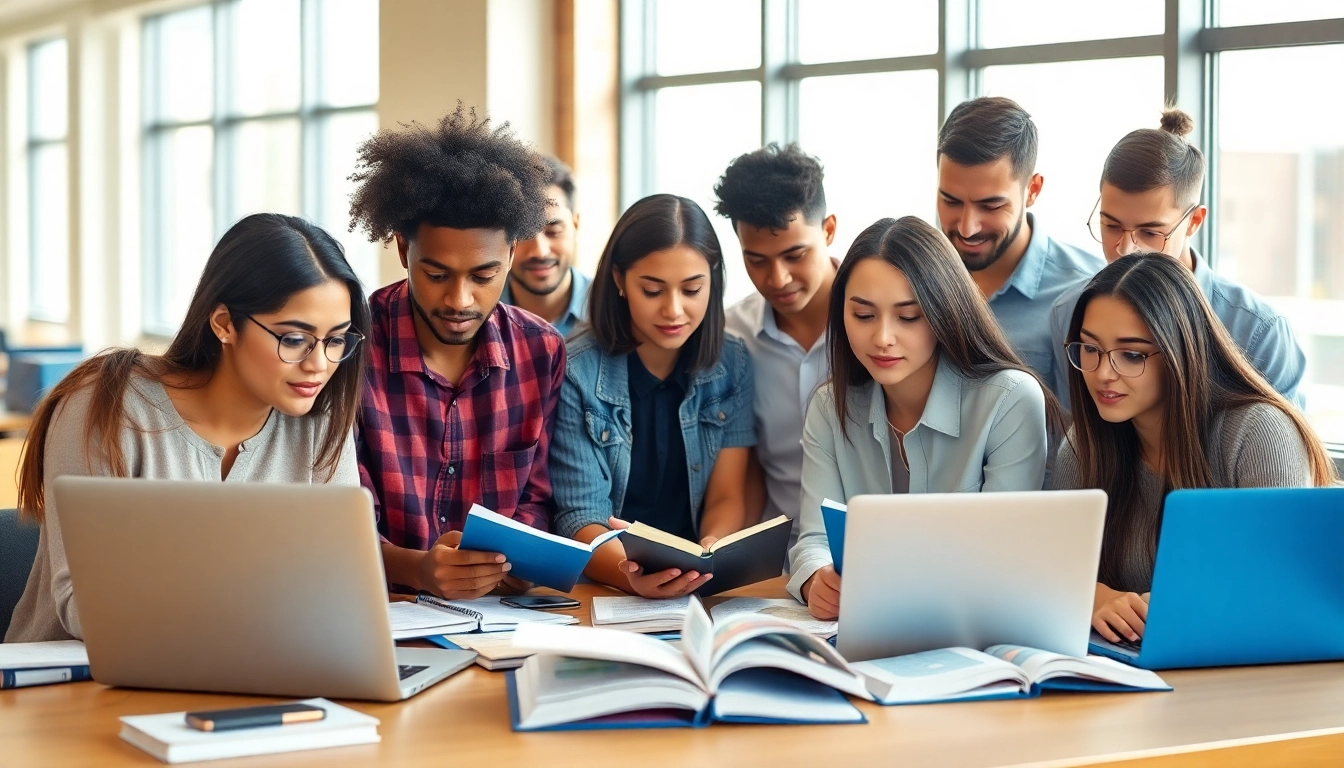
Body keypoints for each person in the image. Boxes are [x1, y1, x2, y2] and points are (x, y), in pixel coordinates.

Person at [6, 213, 368, 643]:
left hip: (249, 674)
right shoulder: (106, 405)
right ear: (224, 324)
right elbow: (85, 605)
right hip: (70, 686)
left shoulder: (319, 426)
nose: (319, 364)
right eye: (294, 339)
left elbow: (339, 590)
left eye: (337, 339)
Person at [788, 216, 1062, 620]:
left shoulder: (1009, 400)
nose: (882, 337)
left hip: (972, 627)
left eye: (909, 317)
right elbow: (813, 538)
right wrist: (817, 579)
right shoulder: (830, 407)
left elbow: (1002, 558)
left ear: (944, 312)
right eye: (863, 315)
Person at [1053, 253, 1335, 644]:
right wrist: (1093, 596)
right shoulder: (1086, 445)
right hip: (1132, 666)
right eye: (1089, 348)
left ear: (1180, 352)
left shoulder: (1258, 433)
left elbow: (1280, 587)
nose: (1103, 373)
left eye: (1131, 354)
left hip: (1248, 667)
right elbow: (1051, 569)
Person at [348, 106, 565, 600]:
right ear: (403, 251)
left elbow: (537, 497)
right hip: (382, 609)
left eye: (483, 276)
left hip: (502, 615)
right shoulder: (351, 346)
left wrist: (516, 558)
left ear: (512, 254)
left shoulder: (540, 351)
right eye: (437, 274)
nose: (459, 300)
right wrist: (421, 569)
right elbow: (339, 514)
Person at [549, 194, 755, 598]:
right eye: (653, 290)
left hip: (698, 587)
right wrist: (631, 575)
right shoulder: (576, 370)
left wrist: (709, 550)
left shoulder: (734, 363)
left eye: (692, 289)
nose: (674, 310)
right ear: (620, 281)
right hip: (608, 586)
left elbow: (729, 493)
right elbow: (580, 516)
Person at [1048, 109, 1306, 409]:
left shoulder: (1258, 332)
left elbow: (1283, 450)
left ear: (1194, 221)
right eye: (1111, 226)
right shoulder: (1070, 313)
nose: (1125, 250)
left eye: (1150, 232)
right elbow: (1078, 436)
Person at [936, 96, 1104, 396]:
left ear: (1033, 190)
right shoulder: (917, 279)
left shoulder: (1088, 290)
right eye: (951, 201)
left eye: (990, 205)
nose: (966, 227)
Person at [716, 143, 838, 549]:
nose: (778, 278)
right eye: (757, 260)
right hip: (777, 569)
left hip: (877, 554)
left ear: (829, 230)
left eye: (794, 255)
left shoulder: (883, 323)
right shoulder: (732, 335)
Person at [500, 155, 592, 337]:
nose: (540, 251)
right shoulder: (478, 316)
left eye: (553, 231)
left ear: (575, 225)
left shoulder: (613, 313)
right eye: (524, 234)